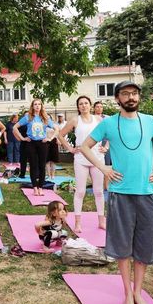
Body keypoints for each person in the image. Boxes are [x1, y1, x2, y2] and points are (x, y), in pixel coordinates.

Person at [80, 81, 153, 304]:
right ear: (117, 98)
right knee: (122, 248)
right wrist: (103, 167)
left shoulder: (151, 122)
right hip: (120, 194)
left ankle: (138, 292)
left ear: (139, 97)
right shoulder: (109, 124)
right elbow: (85, 146)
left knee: (143, 247)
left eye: (134, 93)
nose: (131, 97)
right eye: (125, 93)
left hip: (147, 194)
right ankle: (126, 293)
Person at [56, 96, 106, 233]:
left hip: (97, 158)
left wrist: (106, 147)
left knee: (99, 191)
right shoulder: (74, 120)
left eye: (86, 103)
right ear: (78, 107)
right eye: (81, 104)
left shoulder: (99, 119)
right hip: (80, 159)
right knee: (80, 191)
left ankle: (101, 221)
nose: (84, 106)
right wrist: (70, 149)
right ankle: (78, 223)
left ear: (90, 105)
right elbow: (60, 135)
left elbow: (110, 134)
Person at [13, 99, 59, 196]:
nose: (37, 106)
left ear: (41, 106)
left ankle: (40, 187)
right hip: (31, 143)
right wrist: (22, 138)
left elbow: (56, 129)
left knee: (42, 166)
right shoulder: (28, 117)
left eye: (39, 104)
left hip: (42, 144)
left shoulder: (45, 118)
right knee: (33, 166)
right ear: (32, 106)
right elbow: (15, 127)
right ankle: (34, 188)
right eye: (35, 104)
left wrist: (50, 138)